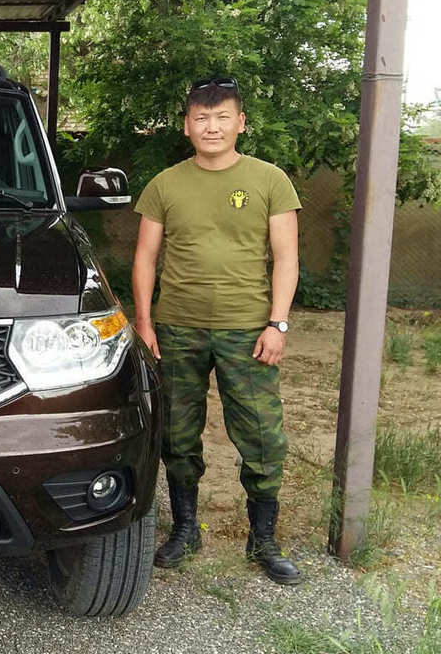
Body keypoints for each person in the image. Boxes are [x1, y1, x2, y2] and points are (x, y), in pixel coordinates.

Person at [131, 77, 303, 585]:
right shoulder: (165, 184)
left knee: (262, 435)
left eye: (222, 116)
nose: (212, 126)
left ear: (240, 123)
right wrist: (144, 322)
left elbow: (287, 257)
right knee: (178, 435)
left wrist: (278, 323)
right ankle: (186, 529)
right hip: (177, 329)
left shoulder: (271, 180)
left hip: (247, 330)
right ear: (187, 126)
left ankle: (264, 539)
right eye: (202, 118)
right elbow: (145, 256)